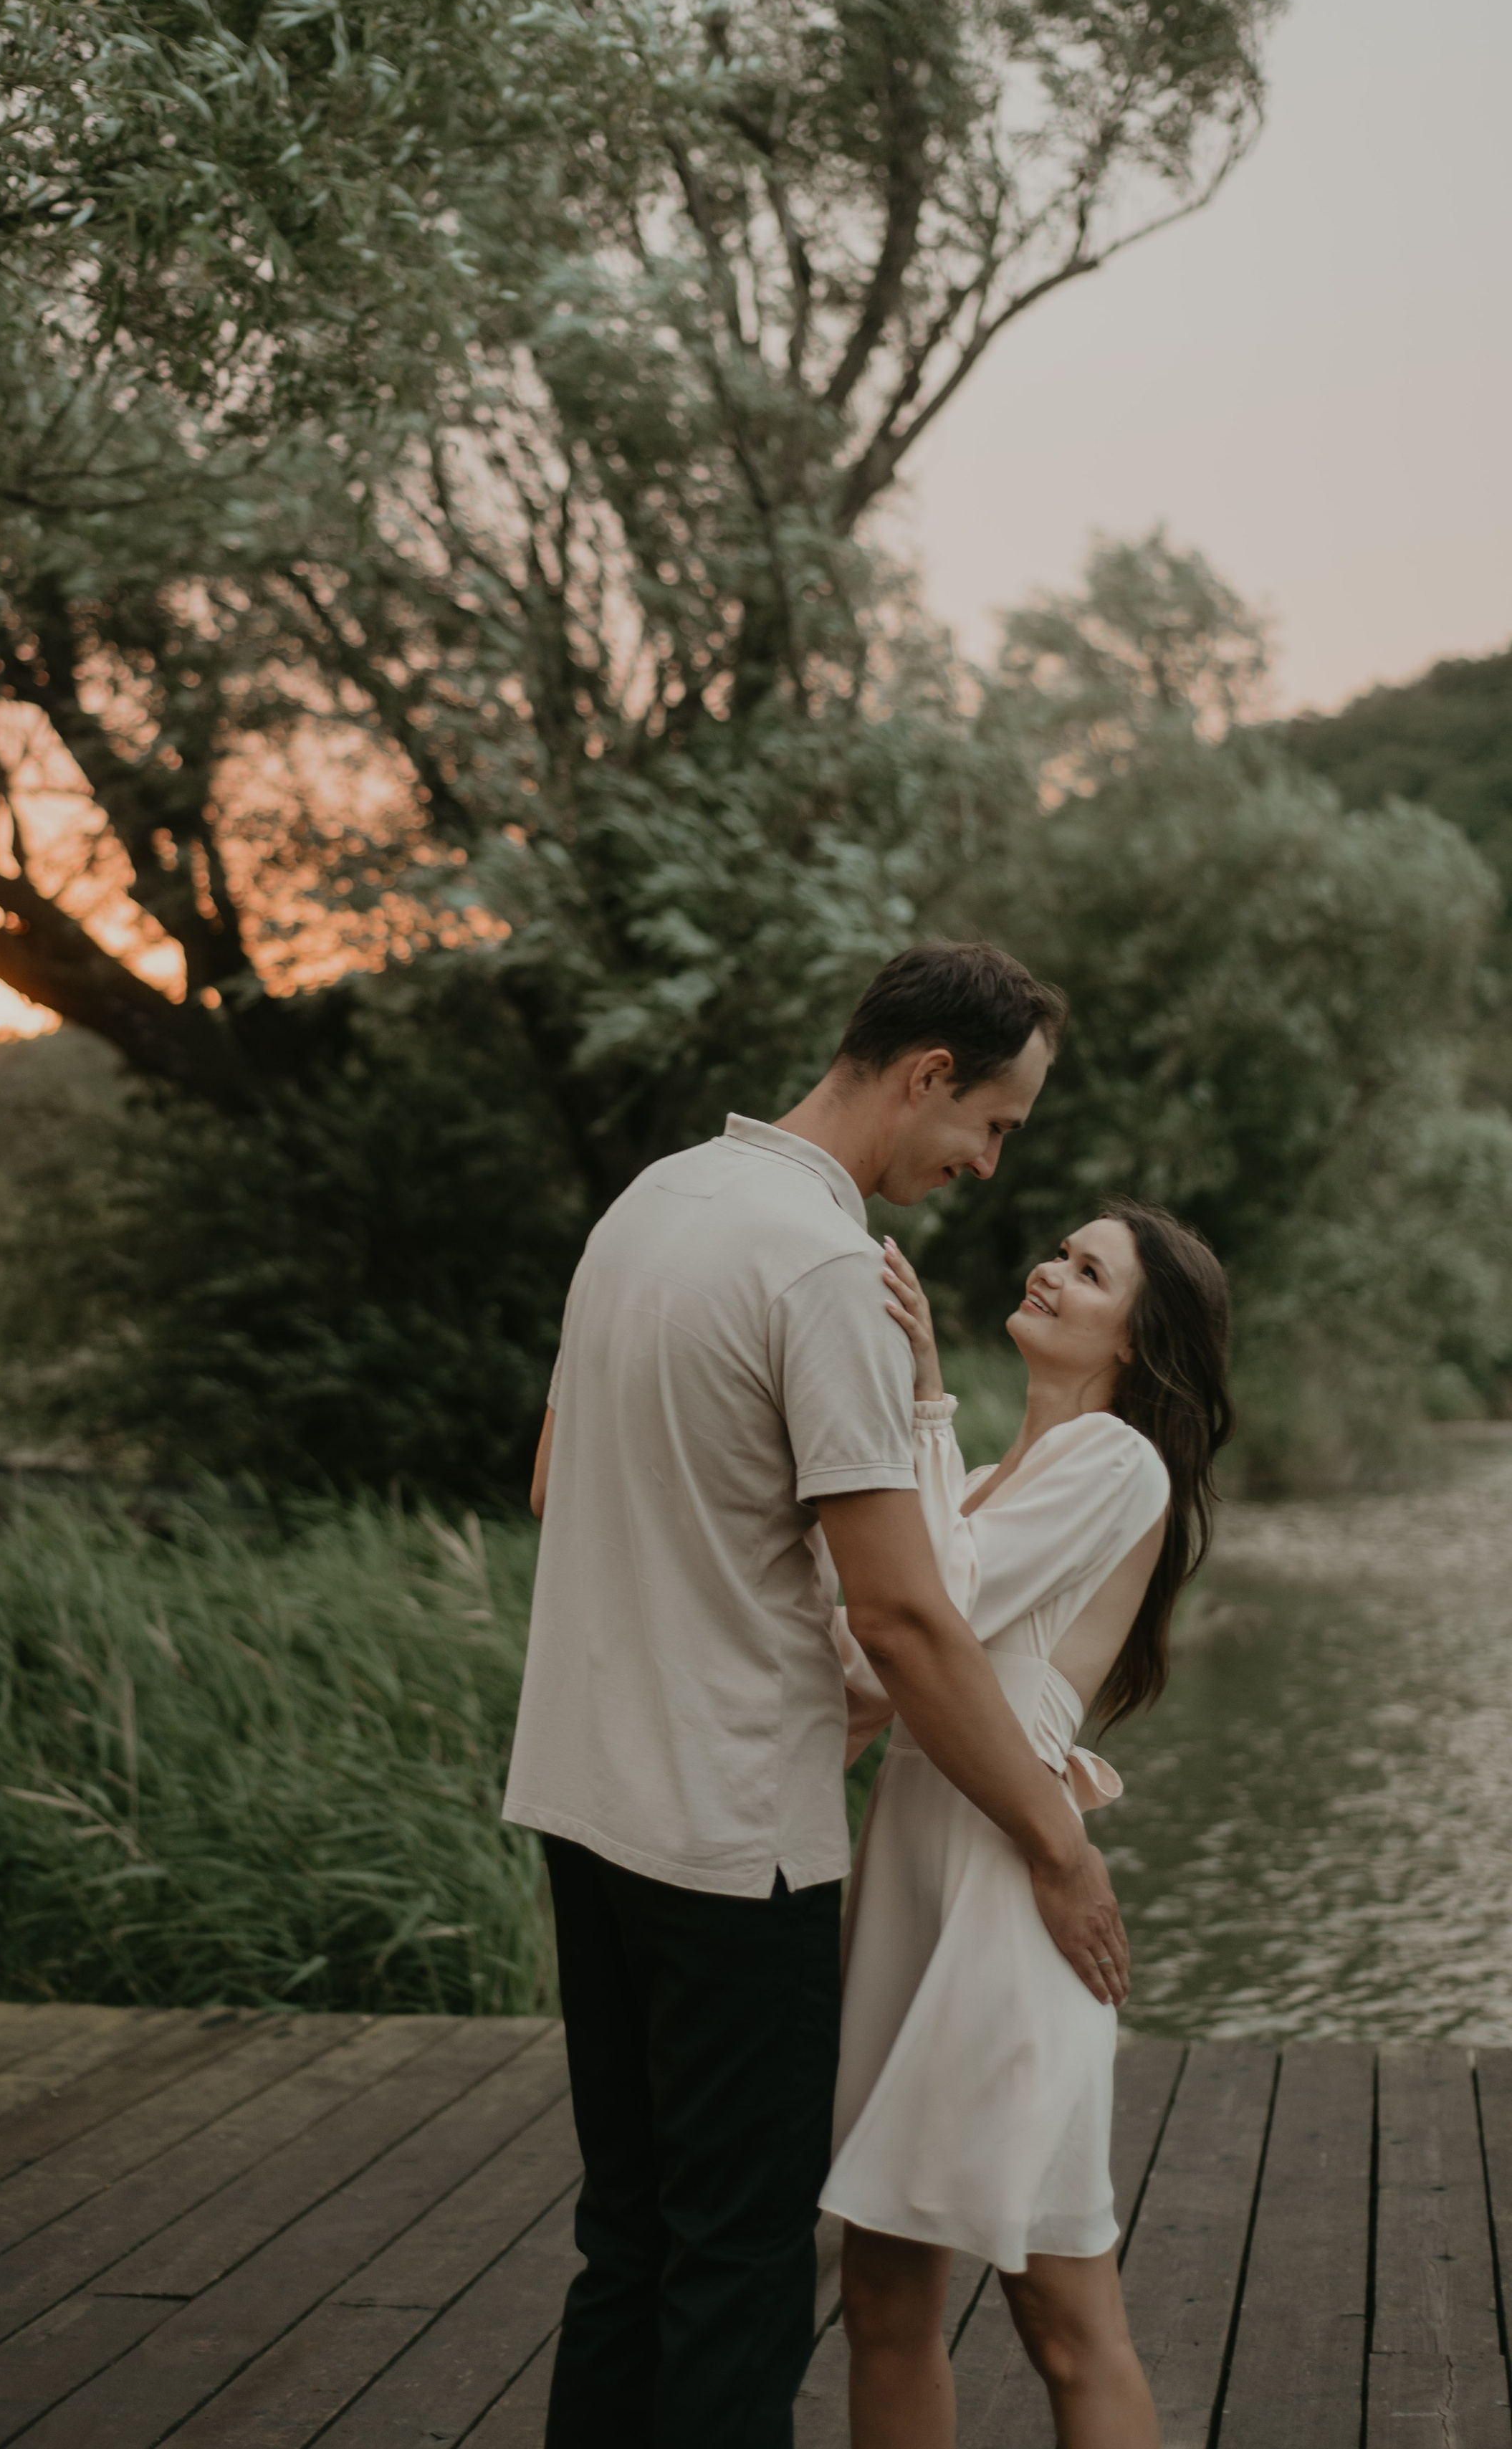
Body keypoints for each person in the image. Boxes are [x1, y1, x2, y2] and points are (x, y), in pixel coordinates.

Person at [502, 941, 1131, 2449]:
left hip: (581, 1804)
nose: (986, 1166)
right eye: (993, 1124)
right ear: (926, 1074)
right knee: (733, 2268)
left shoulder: (648, 1203)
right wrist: (1056, 1841)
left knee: (632, 2239)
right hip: (731, 1841)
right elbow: (907, 1617)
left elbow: (548, 1483)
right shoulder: (824, 1267)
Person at [828, 1203, 1233, 2449]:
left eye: (1089, 1268)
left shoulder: (1119, 1462)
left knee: (1065, 2318)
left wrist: (928, 1397)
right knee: (882, 2295)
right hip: (917, 1878)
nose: (1050, 1270)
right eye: (1059, 1251)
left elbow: (933, 1600)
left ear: (1139, 1335)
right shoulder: (1009, 1474)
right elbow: (868, 1648)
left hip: (1011, 1901)